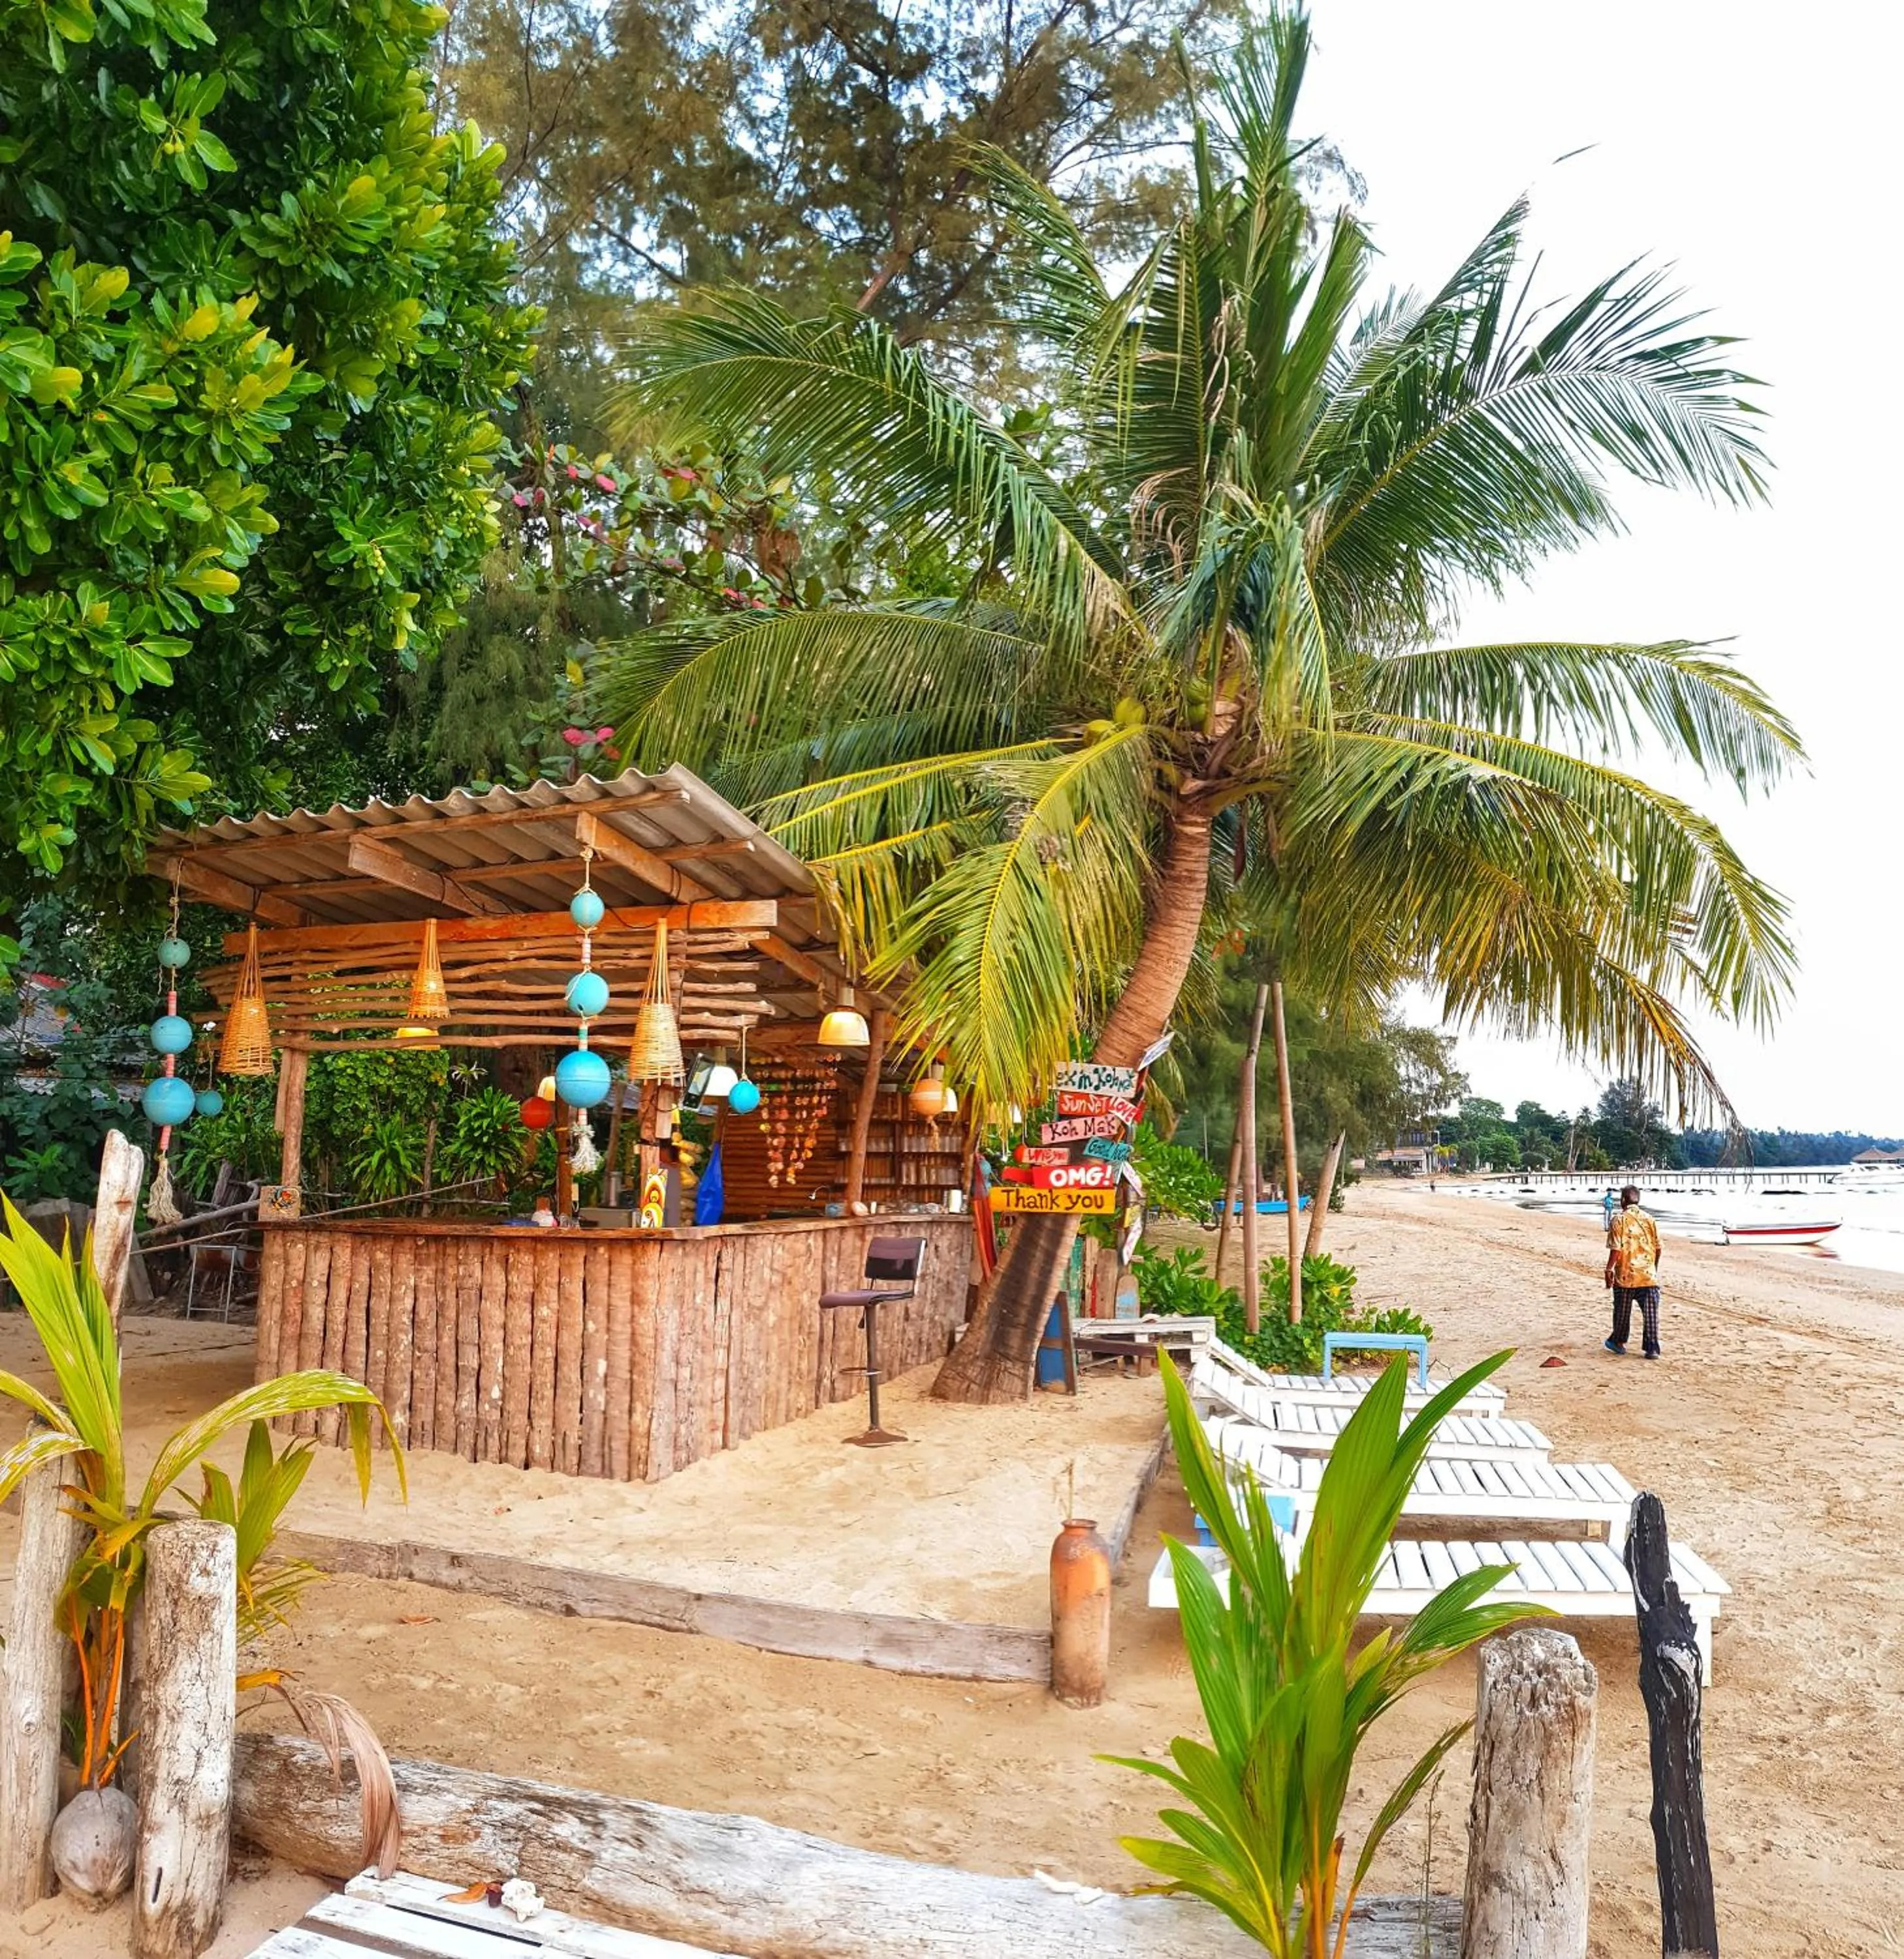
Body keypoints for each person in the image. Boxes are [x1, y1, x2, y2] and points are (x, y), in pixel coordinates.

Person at [1604, 1184, 1663, 1359]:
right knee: (1651, 1313)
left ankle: (1619, 1341)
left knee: (1622, 1310)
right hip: (1648, 1274)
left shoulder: (1618, 1220)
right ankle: (1652, 1348)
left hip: (1626, 1274)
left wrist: (1609, 1269)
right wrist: (1654, 1267)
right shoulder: (1650, 1219)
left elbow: (1616, 1249)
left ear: (1623, 1200)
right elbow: (1658, 1248)